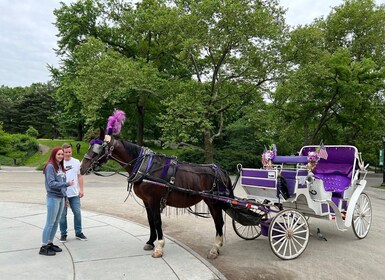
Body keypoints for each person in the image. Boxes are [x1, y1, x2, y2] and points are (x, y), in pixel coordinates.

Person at [40, 147, 74, 256]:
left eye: (62, 154)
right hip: (53, 197)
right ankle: (43, 246)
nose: (60, 156)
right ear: (54, 154)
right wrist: (67, 184)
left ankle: (50, 243)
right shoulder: (50, 166)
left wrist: (66, 198)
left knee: (56, 222)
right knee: (50, 222)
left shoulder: (60, 166)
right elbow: (51, 183)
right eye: (58, 154)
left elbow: (62, 183)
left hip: (61, 197)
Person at [59, 143, 87, 242]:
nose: (68, 154)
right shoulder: (59, 163)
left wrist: (81, 189)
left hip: (74, 194)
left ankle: (79, 233)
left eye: (69, 152)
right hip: (62, 195)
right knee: (62, 216)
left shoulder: (76, 162)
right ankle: (63, 234)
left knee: (77, 213)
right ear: (62, 152)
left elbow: (80, 176)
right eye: (66, 152)